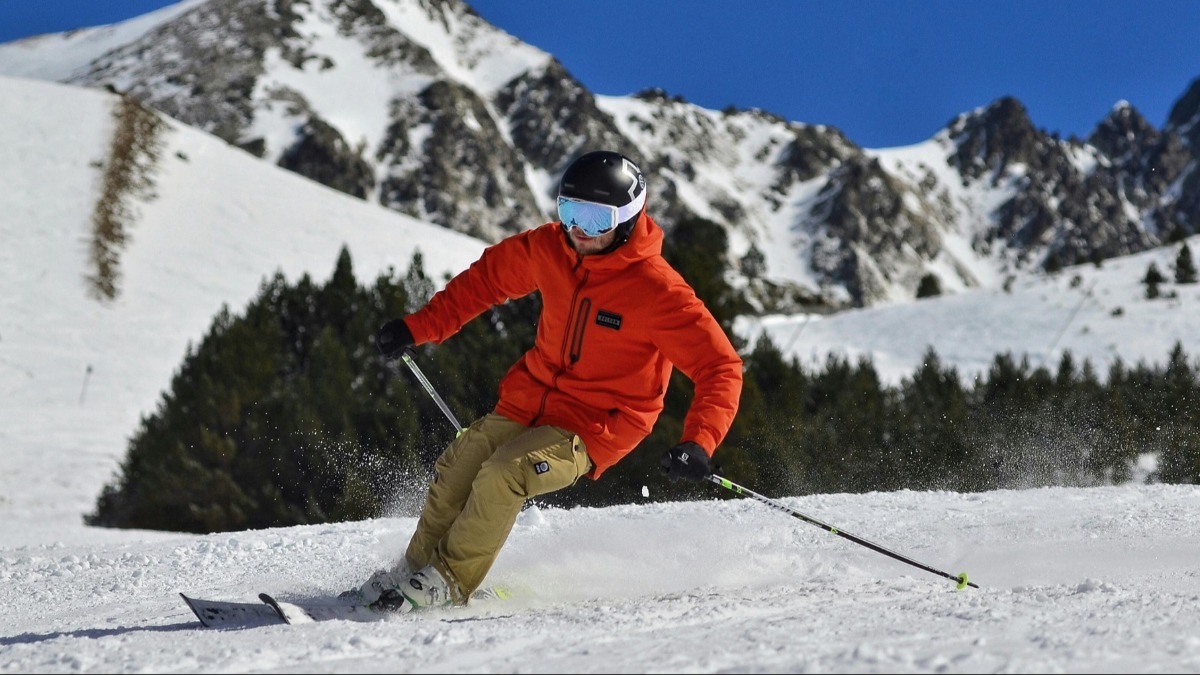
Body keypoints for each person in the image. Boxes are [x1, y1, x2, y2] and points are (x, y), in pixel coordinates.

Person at [355, 149, 744, 611]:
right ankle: (414, 570)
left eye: (596, 219)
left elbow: (720, 367)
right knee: (461, 462)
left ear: (626, 219)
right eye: (569, 211)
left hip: (596, 423)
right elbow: (485, 281)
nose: (579, 229)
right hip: (530, 400)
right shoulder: (549, 248)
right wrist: (419, 327)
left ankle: (448, 582)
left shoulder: (657, 290)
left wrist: (700, 441)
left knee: (504, 473)